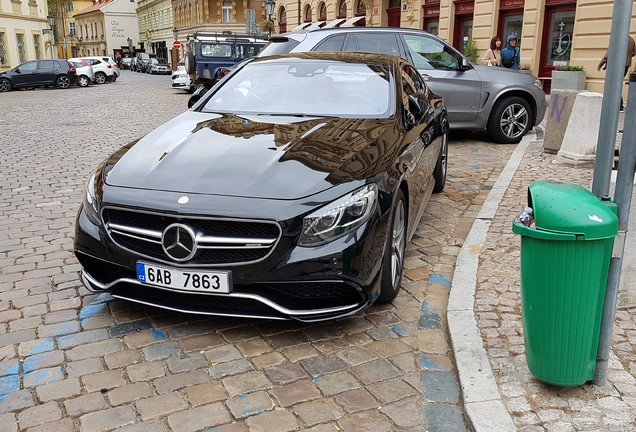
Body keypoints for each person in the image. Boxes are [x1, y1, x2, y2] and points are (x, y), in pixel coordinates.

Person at [597, 35, 636, 111]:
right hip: (626, 65)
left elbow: (608, 54)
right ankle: (618, 105)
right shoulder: (631, 40)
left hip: (616, 65)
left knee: (612, 85)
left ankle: (617, 105)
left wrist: (600, 65)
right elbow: (634, 53)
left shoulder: (617, 38)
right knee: (617, 84)